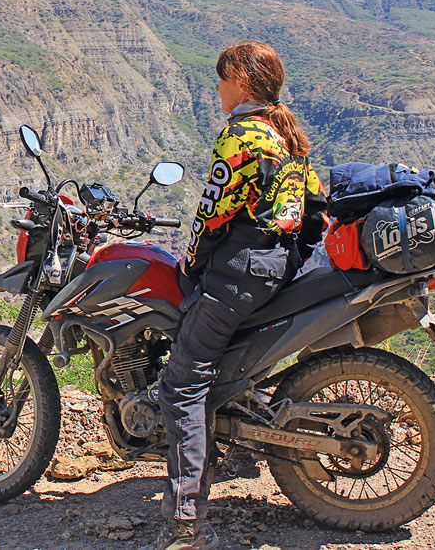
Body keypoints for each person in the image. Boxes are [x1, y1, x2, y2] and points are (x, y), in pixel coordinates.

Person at [142, 40, 328, 550]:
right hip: (278, 268)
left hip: (239, 274)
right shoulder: (284, 134)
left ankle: (186, 525)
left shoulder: (241, 137)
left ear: (242, 82)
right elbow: (316, 205)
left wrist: (190, 263)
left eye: (223, 78)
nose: (217, 87)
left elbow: (211, 213)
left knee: (180, 383)